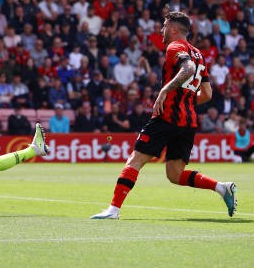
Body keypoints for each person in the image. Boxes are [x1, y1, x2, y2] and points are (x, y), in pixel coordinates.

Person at [91, 12, 237, 219]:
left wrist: (165, 91)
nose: (161, 30)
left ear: (174, 29)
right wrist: (185, 100)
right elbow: (207, 94)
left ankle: (113, 210)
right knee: (175, 174)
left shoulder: (175, 47)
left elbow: (187, 69)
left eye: (164, 26)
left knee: (136, 159)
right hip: (188, 122)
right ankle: (223, 188)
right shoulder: (199, 54)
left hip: (166, 117)